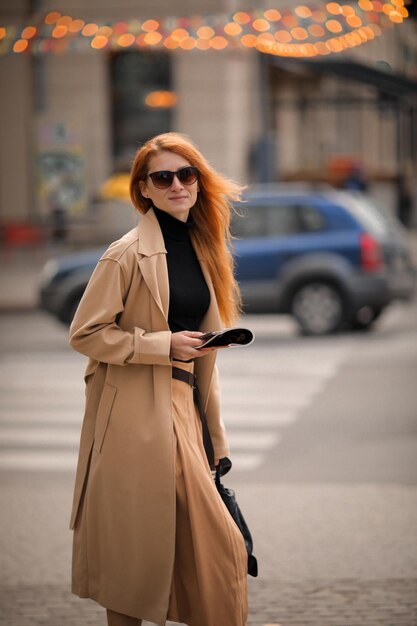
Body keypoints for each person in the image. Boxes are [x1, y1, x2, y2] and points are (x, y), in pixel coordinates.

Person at [68, 132, 249, 626]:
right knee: (134, 556)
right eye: (163, 177)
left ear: (198, 182)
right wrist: (159, 345)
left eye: (186, 174)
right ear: (143, 189)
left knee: (212, 548)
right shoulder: (125, 254)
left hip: (184, 412)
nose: (177, 185)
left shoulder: (204, 248)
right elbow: (86, 333)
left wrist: (216, 437)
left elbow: (206, 363)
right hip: (133, 418)